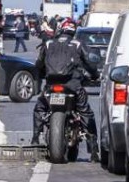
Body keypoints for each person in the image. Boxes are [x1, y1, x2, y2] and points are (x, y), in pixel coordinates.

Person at [31, 18, 99, 160]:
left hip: (51, 86)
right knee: (86, 113)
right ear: (74, 31)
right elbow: (90, 64)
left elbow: (38, 65)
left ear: (60, 29)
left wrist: (43, 76)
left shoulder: (49, 43)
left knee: (39, 108)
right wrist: (95, 75)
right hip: (73, 86)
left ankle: (35, 139)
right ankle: (93, 150)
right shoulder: (78, 44)